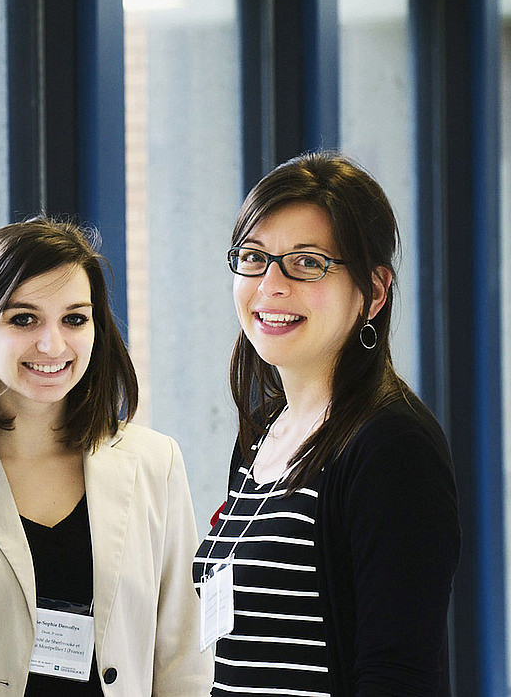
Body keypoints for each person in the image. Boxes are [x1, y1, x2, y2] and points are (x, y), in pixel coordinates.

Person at [0, 217, 212, 696]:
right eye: (23, 319)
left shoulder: (155, 464)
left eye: (74, 318)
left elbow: (183, 658)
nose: (52, 344)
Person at [193, 152, 460, 696]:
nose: (270, 285)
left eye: (308, 262)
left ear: (374, 292)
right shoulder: (262, 435)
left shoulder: (391, 446)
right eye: (253, 256)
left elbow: (398, 675)